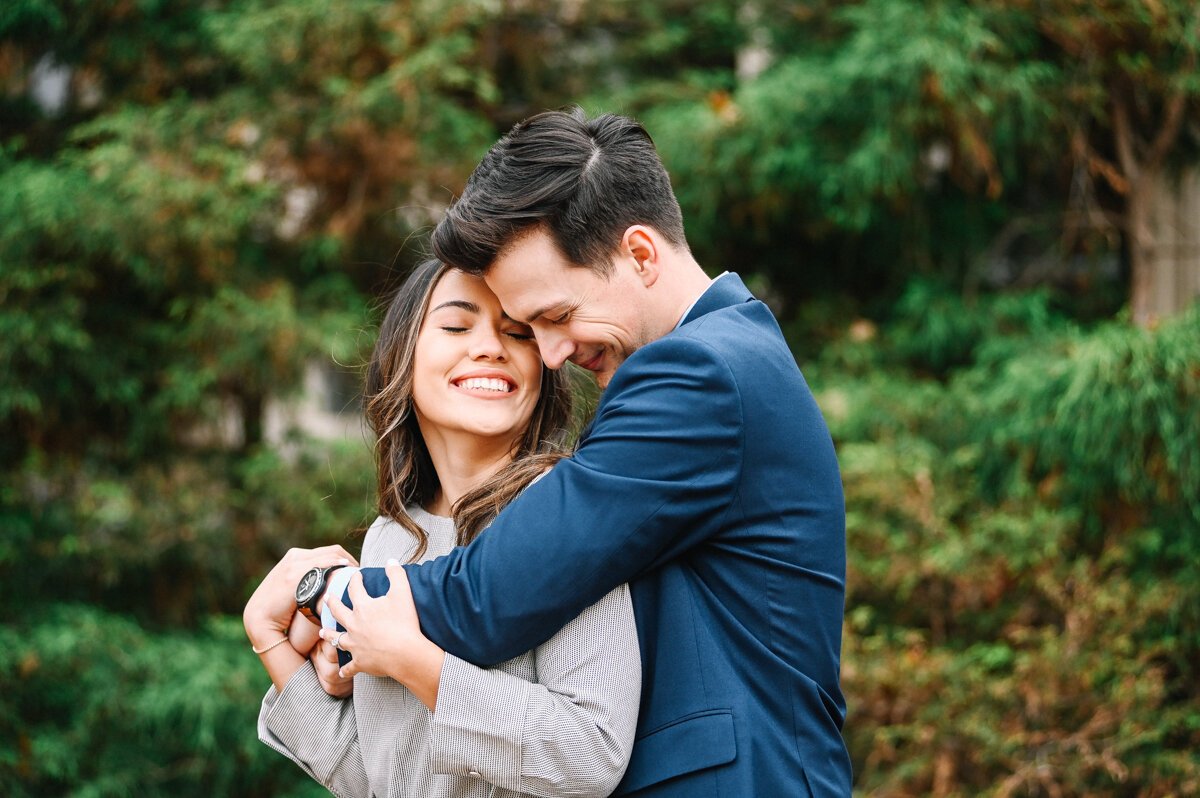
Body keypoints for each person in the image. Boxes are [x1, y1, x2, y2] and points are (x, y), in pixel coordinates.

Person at [326, 108, 852, 796]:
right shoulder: (724, 362)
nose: (550, 355)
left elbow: (490, 596)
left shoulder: (699, 377)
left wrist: (335, 603)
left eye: (554, 317)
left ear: (639, 253)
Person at [242, 259, 641, 798]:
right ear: (402, 361)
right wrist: (272, 643)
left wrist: (414, 662)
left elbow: (591, 752)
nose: (490, 347)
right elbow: (379, 780)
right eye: (456, 326)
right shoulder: (392, 538)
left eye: (517, 333)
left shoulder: (564, 513)